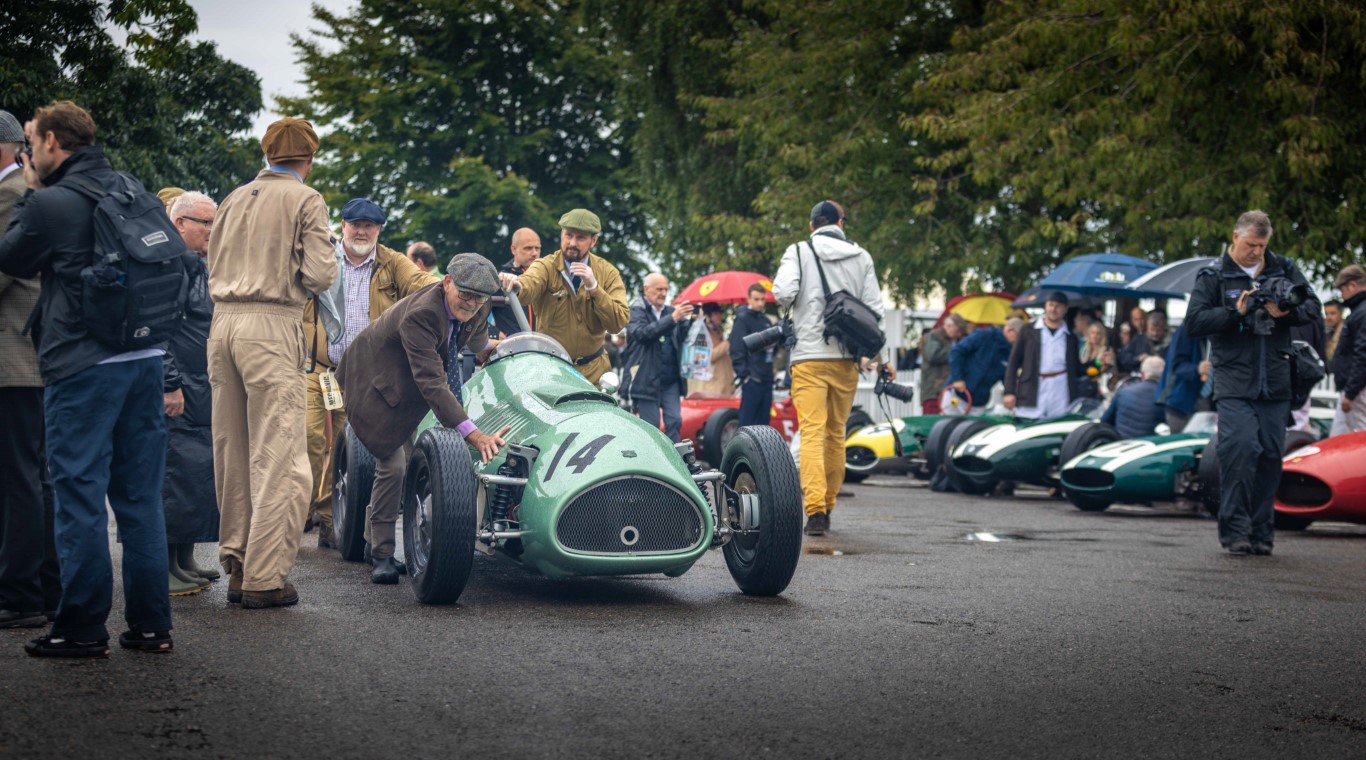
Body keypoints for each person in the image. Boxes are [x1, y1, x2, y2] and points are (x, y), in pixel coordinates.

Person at [0, 101, 173, 656]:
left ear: (53, 142)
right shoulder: (130, 188)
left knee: (78, 495)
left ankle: (80, 626)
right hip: (144, 358)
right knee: (140, 498)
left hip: (81, 365)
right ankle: (151, 626)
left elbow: (11, 259)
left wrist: (31, 190)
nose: (27, 154)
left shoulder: (49, 202)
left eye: (32, 143)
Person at [207, 117, 337, 608]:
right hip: (272, 323)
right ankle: (265, 577)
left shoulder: (232, 198)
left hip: (222, 324)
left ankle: (238, 564)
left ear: (267, 155)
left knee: (233, 452)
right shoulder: (306, 199)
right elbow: (321, 274)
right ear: (309, 158)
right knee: (280, 455)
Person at [336, 254, 511, 583]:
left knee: (403, 461)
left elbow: (477, 341)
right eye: (465, 294)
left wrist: (498, 348)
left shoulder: (478, 304)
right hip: (374, 382)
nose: (471, 303)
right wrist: (474, 435)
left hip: (409, 383)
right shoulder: (422, 315)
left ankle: (371, 539)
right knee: (394, 466)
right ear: (447, 282)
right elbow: (432, 383)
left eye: (479, 298)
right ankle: (382, 554)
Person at [302, 198, 434, 548]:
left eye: (369, 226)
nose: (361, 231)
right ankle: (304, 513)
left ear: (378, 230)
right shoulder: (323, 257)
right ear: (343, 226)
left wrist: (456, 288)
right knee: (309, 441)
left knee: (349, 450)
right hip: (320, 370)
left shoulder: (393, 262)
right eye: (355, 224)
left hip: (364, 376)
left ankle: (331, 521)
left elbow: (425, 285)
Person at [1186, 210, 1319, 556]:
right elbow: (1194, 322)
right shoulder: (1214, 275)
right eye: (1251, 245)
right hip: (1234, 381)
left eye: (1262, 246)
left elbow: (1313, 307)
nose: (1257, 252)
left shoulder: (1284, 268)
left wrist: (1288, 312)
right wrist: (1236, 313)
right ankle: (1234, 531)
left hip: (1276, 379)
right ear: (1235, 237)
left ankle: (1262, 533)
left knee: (1271, 457)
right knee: (1240, 451)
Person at [771, 200, 886, 537]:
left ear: (812, 225)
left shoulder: (799, 251)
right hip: (846, 359)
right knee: (836, 433)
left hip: (808, 356)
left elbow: (783, 293)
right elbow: (875, 310)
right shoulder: (862, 257)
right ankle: (829, 503)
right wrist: (881, 358)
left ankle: (816, 511)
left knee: (811, 432)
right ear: (841, 223)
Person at [0, 109, 61, 630]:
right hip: (27, 358)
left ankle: (21, 594)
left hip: (14, 360)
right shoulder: (25, 190)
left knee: (19, 480)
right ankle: (42, 589)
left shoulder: (10, 194)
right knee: (33, 478)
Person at [161, 192, 221, 596]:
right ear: (179, 223)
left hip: (199, 384)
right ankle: (162, 566)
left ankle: (184, 558)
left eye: (215, 222)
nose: (212, 230)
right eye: (205, 222)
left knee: (196, 473)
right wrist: (170, 383)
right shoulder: (170, 264)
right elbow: (160, 331)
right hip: (179, 385)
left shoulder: (196, 264)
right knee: (173, 476)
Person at [497, 209, 629, 386]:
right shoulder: (546, 266)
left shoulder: (608, 272)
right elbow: (529, 283)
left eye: (580, 238)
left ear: (593, 241)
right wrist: (516, 283)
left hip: (594, 373)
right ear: (561, 235)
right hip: (552, 370)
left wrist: (594, 288)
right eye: (568, 235)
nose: (572, 243)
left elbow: (618, 323)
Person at [623, 273, 693, 441]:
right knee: (651, 426)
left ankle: (672, 456)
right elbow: (643, 334)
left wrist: (693, 320)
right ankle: (651, 457)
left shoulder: (671, 311)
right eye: (659, 289)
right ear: (646, 289)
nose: (663, 293)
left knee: (675, 420)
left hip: (670, 380)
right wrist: (673, 318)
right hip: (645, 379)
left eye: (666, 289)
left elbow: (684, 336)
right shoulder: (635, 310)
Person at [1003, 291, 1082, 419]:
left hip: (1060, 390)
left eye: (1058, 306)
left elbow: (1076, 368)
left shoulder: (1070, 337)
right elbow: (1013, 362)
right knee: (1028, 422)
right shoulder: (1028, 330)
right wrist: (1009, 391)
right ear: (1045, 306)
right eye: (1051, 305)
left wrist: (1098, 363)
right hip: (1032, 387)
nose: (1053, 309)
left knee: (1058, 423)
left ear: (1065, 309)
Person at [949, 317, 1021, 414]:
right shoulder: (982, 335)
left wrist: (1010, 393)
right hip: (956, 394)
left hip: (979, 402)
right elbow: (957, 352)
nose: (1019, 340)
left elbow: (1007, 376)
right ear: (1009, 330)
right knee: (948, 421)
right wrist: (957, 378)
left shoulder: (1011, 352)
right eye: (1018, 336)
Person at [728, 283, 776, 426]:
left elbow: (773, 348)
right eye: (756, 299)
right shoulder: (742, 319)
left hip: (767, 379)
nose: (760, 303)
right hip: (752, 380)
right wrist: (745, 376)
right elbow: (736, 349)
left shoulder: (766, 321)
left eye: (762, 299)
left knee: (764, 424)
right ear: (749, 299)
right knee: (747, 423)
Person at [1330, 265, 1366, 435]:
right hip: (1355, 387)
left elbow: (1363, 355)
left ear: (1352, 285)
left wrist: (1351, 393)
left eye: (1342, 289)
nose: (1341, 295)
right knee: (1340, 437)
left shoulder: (1361, 312)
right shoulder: (1359, 311)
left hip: (1357, 389)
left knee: (1357, 437)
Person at [492, 227, 543, 336]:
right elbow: (476, 312)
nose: (534, 253)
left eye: (537, 248)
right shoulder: (500, 280)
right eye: (528, 248)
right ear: (513, 249)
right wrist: (495, 334)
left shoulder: (547, 277)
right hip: (512, 344)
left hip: (543, 344)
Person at [1155, 323, 1204, 433]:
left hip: (1205, 402)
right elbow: (1176, 365)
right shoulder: (1186, 330)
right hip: (1180, 402)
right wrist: (1197, 369)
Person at [1101, 356, 1165, 438]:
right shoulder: (1166, 398)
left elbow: (1105, 421)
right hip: (1151, 444)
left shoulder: (1123, 391)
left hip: (1122, 443)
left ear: (1142, 374)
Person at [919, 314, 966, 413]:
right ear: (948, 326)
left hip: (949, 390)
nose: (959, 335)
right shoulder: (934, 336)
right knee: (932, 418)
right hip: (933, 390)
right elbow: (932, 355)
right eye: (957, 331)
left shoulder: (956, 340)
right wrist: (955, 353)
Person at [686, 303, 735, 397]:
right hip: (709, 389)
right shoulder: (700, 333)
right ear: (707, 317)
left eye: (720, 313)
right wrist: (727, 343)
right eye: (716, 314)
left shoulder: (718, 333)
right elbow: (706, 357)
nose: (719, 316)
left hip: (722, 386)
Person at [1077, 322, 1113, 399]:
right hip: (1084, 386)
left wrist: (1097, 363)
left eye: (1098, 333)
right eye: (1092, 333)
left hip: (1099, 387)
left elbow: (1102, 370)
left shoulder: (1107, 351)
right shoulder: (1084, 349)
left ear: (1102, 336)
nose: (1095, 336)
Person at [1323, 299, 1343, 364]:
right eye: (1326, 314)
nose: (1329, 317)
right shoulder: (1327, 335)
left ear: (1341, 313)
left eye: (1333, 313)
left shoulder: (1348, 333)